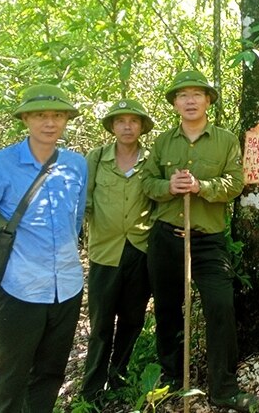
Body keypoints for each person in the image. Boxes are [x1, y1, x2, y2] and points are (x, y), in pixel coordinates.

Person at [0, 84, 87, 413]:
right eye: (41, 115)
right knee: (10, 381)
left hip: (67, 289)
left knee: (50, 374)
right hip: (19, 291)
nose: (50, 122)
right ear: (26, 118)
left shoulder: (76, 165)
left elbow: (77, 219)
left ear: (66, 119)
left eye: (57, 115)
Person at [140, 70, 259, 412]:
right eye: (183, 95)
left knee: (221, 308)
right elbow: (148, 182)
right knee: (166, 309)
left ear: (208, 100)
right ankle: (172, 379)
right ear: (175, 103)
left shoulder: (225, 140)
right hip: (166, 238)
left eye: (197, 94)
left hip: (208, 241)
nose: (190, 101)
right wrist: (168, 187)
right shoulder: (164, 141)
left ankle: (223, 388)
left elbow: (235, 184)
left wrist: (200, 187)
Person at [81, 99, 155, 402]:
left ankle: (119, 375)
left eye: (133, 121)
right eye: (120, 121)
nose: (127, 126)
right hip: (104, 253)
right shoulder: (95, 159)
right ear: (112, 127)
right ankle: (92, 388)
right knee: (100, 324)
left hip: (140, 250)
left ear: (141, 127)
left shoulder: (152, 161)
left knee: (132, 319)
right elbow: (82, 204)